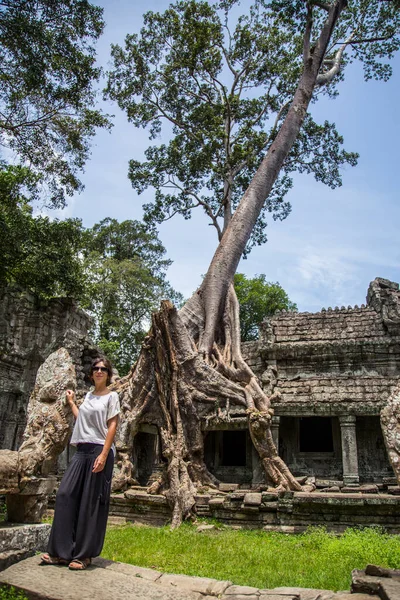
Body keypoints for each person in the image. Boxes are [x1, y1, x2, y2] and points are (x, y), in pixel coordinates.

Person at [41, 357, 120, 570]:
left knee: (90, 503)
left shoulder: (112, 397)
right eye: (96, 368)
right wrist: (71, 403)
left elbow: (112, 426)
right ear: (91, 373)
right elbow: (83, 420)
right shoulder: (88, 396)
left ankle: (83, 556)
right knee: (65, 494)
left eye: (103, 368)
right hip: (81, 451)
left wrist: (103, 455)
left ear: (108, 373)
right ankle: (61, 552)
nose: (99, 371)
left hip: (98, 450)